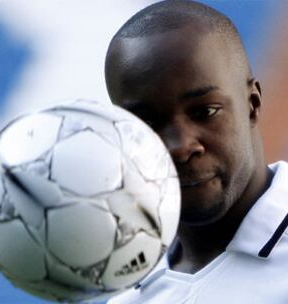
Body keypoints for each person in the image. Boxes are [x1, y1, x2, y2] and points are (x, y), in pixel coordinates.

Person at [105, 0, 288, 303]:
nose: (180, 147)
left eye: (205, 111)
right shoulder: (129, 296)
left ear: (252, 104)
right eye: (146, 124)